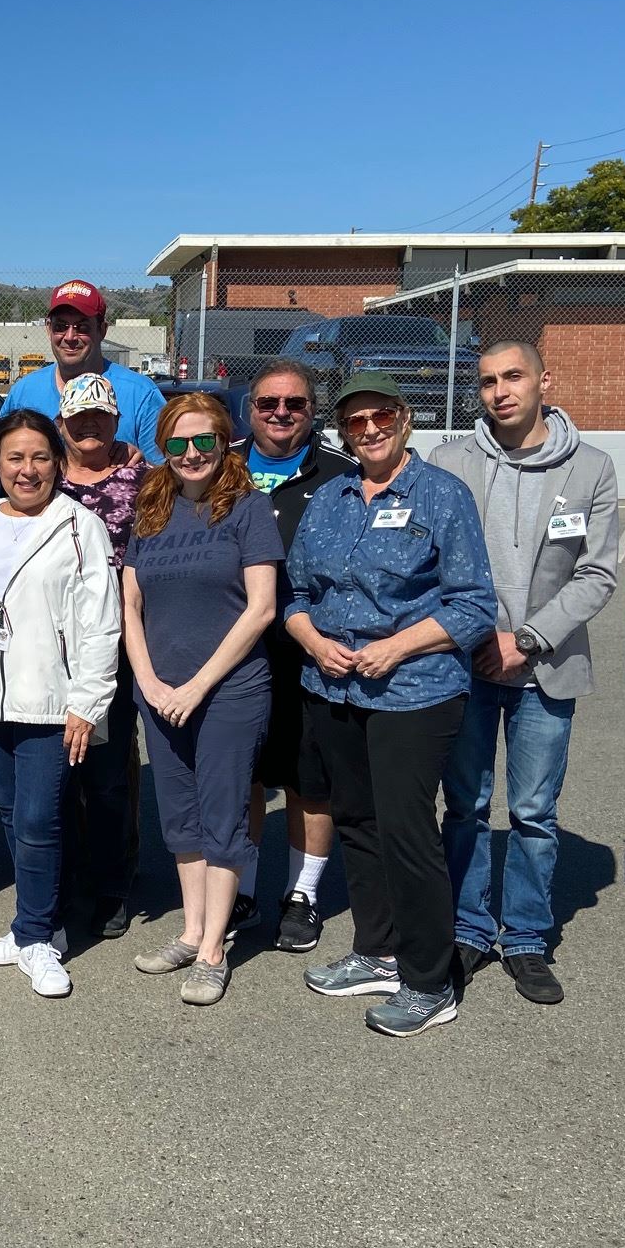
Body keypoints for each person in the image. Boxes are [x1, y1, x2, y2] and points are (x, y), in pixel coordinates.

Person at [285, 372, 495, 1039]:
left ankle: (430, 980)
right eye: (355, 422)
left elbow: (472, 605)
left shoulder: (441, 495)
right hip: (333, 684)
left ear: (404, 420)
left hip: (414, 690)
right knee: (357, 821)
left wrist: (396, 648)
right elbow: (295, 594)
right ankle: (376, 951)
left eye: (381, 417)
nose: (369, 430)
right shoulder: (332, 498)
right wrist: (314, 642)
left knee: (407, 831)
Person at [430, 342, 619, 1006]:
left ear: (544, 379)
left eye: (513, 377)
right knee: (467, 806)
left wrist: (529, 639)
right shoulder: (450, 462)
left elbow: (597, 573)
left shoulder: (591, 469)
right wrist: (482, 638)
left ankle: (529, 937)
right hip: (469, 664)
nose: (500, 391)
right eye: (487, 381)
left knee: (535, 813)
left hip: (547, 667)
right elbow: (431, 562)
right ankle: (468, 927)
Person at [0, 411, 120, 1000]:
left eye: (40, 457)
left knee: (40, 819)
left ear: (58, 464)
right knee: (15, 818)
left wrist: (88, 702)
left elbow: (100, 623)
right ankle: (40, 923)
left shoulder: (78, 527)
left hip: (53, 699)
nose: (28, 469)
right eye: (15, 458)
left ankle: (34, 933)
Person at [123, 394, 284, 1006]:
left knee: (223, 820)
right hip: (161, 694)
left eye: (204, 442)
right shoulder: (151, 512)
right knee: (180, 819)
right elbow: (130, 606)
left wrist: (196, 686)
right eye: (177, 444)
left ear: (224, 443)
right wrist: (151, 682)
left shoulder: (248, 510)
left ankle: (215, 949)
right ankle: (190, 932)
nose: (191, 455)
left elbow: (261, 609)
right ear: (163, 449)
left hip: (228, 693)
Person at [236, 359, 355, 954]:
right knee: (246, 776)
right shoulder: (218, 463)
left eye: (295, 404)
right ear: (248, 408)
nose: (280, 414)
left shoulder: (343, 475)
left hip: (311, 656)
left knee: (311, 782)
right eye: (267, 403)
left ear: (313, 411)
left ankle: (302, 893)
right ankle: (245, 889)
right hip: (234, 656)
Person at [55, 372, 146, 939]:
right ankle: (67, 877)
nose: (90, 425)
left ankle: (113, 882)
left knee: (109, 775)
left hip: (120, 646)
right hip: (52, 648)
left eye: (100, 415)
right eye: (78, 416)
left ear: (116, 420)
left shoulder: (147, 481)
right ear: (62, 422)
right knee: (60, 769)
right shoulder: (42, 479)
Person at [1, 280, 166, 461]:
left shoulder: (140, 394)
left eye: (82, 327)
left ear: (102, 330)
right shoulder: (24, 392)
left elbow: (166, 472)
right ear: (48, 328)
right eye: (60, 327)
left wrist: (140, 466)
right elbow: (1, 460)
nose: (70, 337)